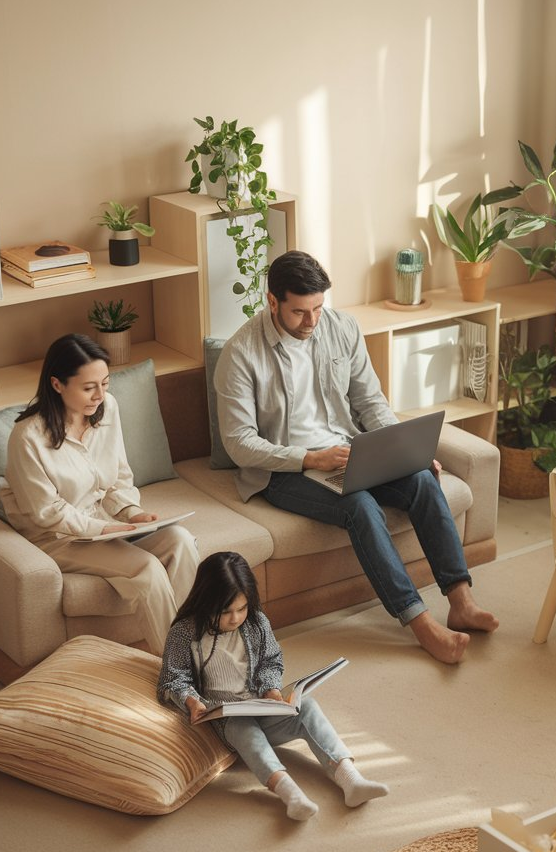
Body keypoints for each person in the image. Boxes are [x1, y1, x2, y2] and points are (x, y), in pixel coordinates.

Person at [213, 250, 498, 665]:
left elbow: (370, 402)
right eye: (299, 312)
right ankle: (419, 622)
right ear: (272, 302)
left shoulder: (341, 328)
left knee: (421, 479)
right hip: (284, 469)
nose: (311, 322)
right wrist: (312, 458)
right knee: (359, 505)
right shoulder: (241, 354)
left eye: (317, 308)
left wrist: (405, 452)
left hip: (348, 449)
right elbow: (239, 443)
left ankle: (460, 600)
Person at [0, 333, 198, 655]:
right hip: (57, 538)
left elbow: (118, 476)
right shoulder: (27, 437)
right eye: (89, 387)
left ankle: (195, 649)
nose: (100, 395)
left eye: (105, 384)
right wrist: (105, 528)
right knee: (145, 568)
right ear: (57, 384)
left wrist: (132, 514)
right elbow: (46, 512)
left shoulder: (107, 408)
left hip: (103, 528)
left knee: (181, 541)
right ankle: (177, 671)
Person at [157, 551, 388, 821]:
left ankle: (351, 779)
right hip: (224, 719)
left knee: (308, 706)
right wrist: (192, 702)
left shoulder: (256, 622)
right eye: (225, 611)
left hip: (260, 705)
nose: (235, 618)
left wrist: (271, 691)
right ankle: (290, 794)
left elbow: (271, 661)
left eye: (242, 608)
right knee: (245, 729)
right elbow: (173, 677)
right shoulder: (184, 633)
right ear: (205, 601)